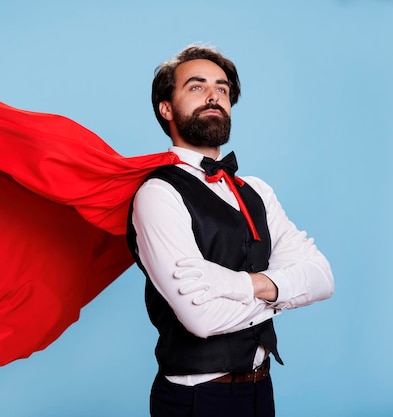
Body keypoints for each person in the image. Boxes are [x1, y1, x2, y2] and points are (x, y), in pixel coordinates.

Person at [127, 45, 335, 417]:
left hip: (261, 388)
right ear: (166, 108)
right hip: (197, 399)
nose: (213, 96)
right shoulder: (157, 194)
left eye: (221, 89)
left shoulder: (256, 190)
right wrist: (283, 292)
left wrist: (234, 286)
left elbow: (321, 277)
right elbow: (200, 319)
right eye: (196, 86)